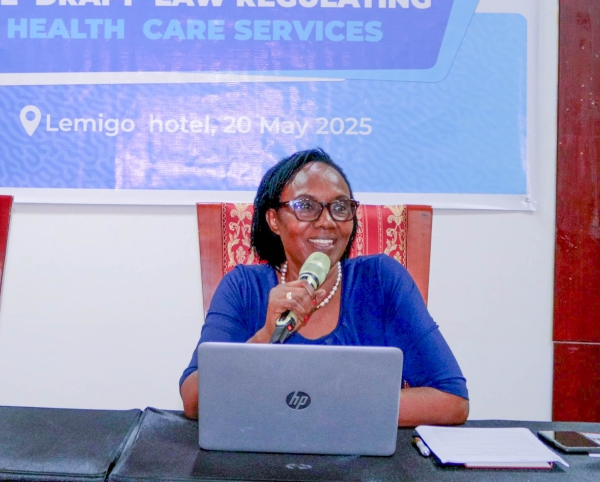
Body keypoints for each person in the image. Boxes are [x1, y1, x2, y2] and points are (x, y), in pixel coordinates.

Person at [180, 149, 468, 426]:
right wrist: (265, 337)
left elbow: (451, 399)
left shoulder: (382, 280)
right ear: (274, 220)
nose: (327, 222)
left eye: (340, 207)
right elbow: (194, 400)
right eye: (306, 206)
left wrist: (325, 409)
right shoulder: (243, 287)